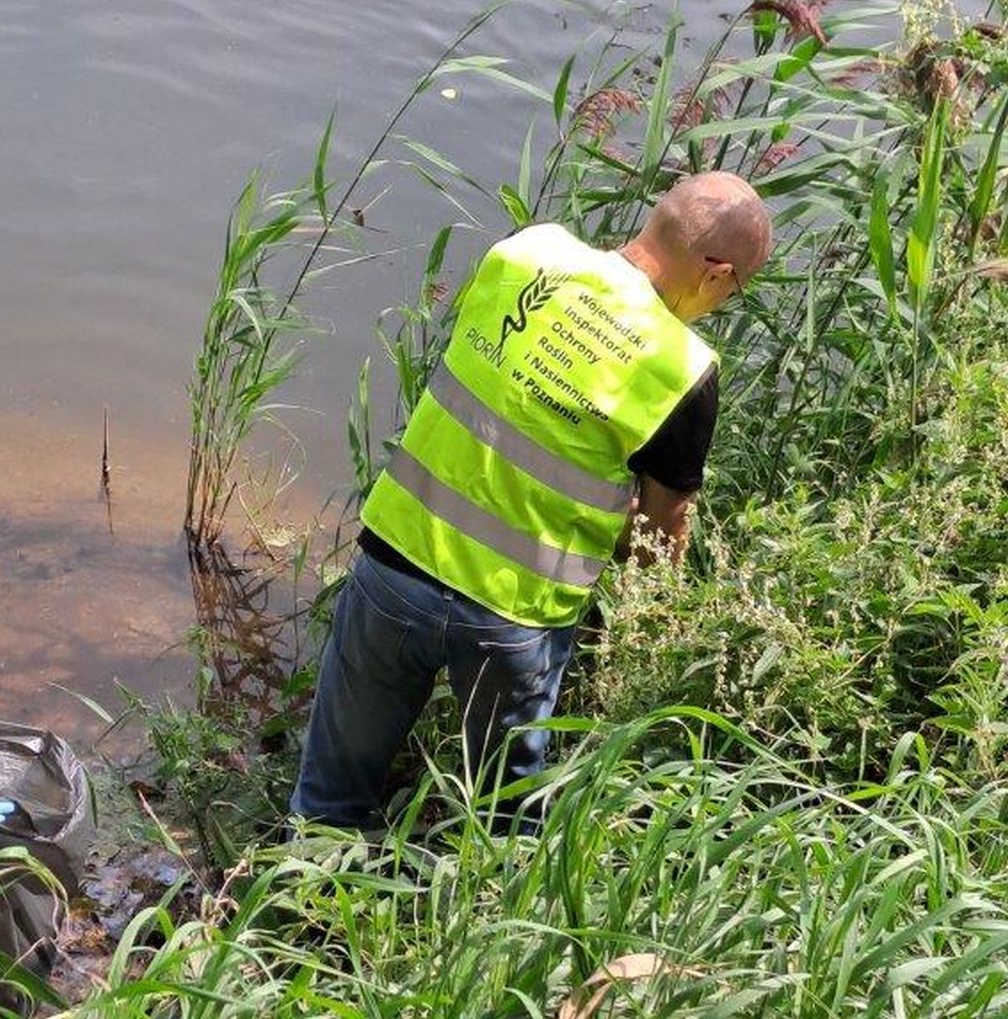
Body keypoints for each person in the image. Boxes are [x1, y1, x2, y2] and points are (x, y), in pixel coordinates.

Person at [291, 171, 772, 830]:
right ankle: (476, 922)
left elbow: (507, 393)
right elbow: (664, 535)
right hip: (511, 615)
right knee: (503, 828)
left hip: (395, 562)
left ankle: (294, 901)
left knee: (329, 799)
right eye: (734, 292)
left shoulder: (527, 251)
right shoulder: (681, 366)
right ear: (717, 274)